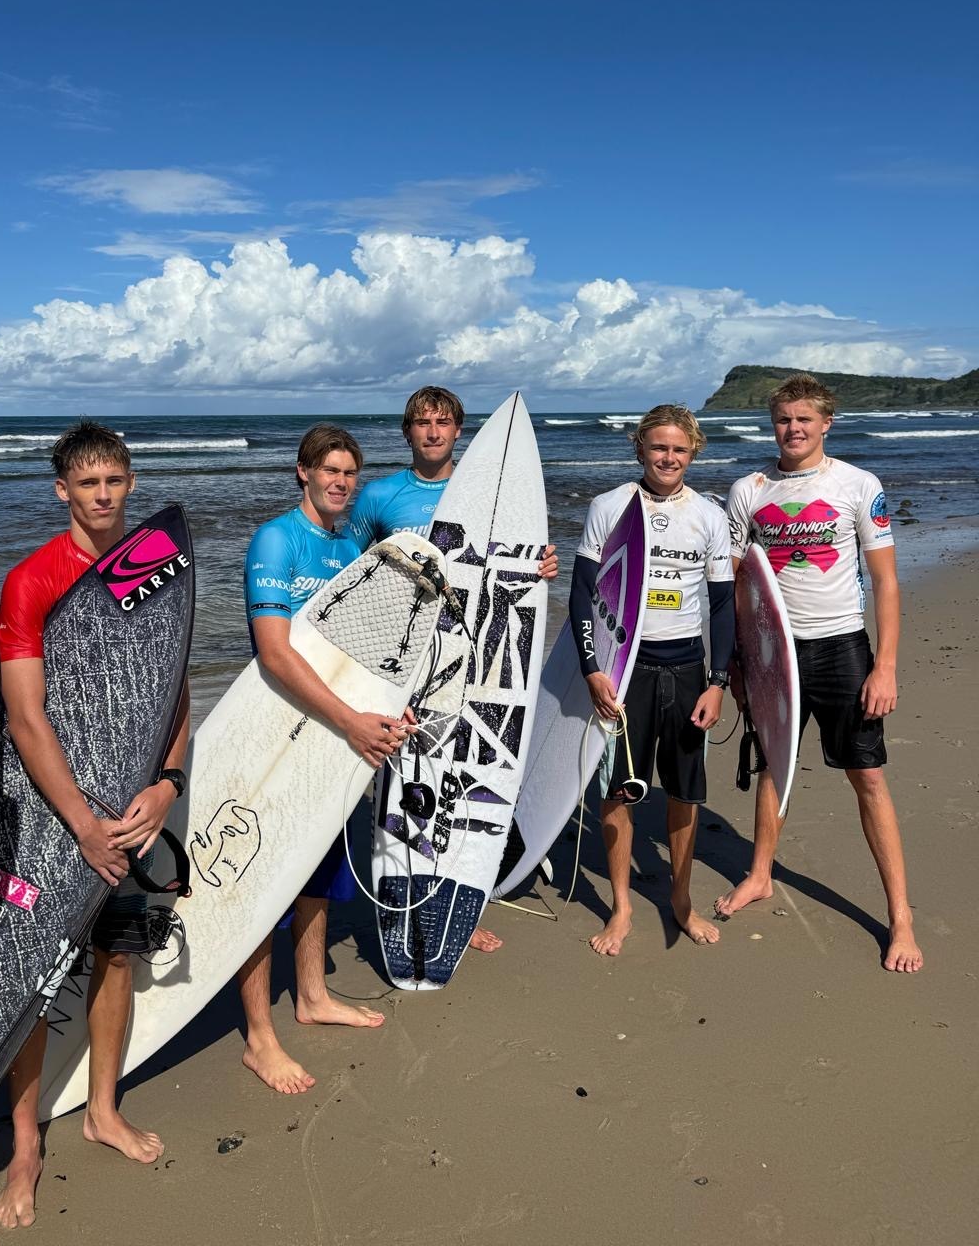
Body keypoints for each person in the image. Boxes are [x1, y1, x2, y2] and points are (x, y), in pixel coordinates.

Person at [0, 422, 191, 1229]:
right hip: (54, 813)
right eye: (87, 483)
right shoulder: (31, 580)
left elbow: (172, 689)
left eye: (114, 480)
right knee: (37, 973)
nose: (103, 495)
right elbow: (26, 717)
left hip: (134, 805)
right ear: (62, 490)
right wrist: (79, 821)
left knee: (120, 956)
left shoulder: (157, 563)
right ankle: (24, 1146)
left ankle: (103, 1109)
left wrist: (169, 784)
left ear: (130, 482)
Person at [714, 375, 922, 973]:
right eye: (784, 419)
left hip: (841, 648)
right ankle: (760, 875)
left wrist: (885, 666)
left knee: (868, 776)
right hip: (772, 652)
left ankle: (901, 918)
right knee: (773, 765)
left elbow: (884, 580)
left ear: (826, 423)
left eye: (804, 418)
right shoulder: (748, 490)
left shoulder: (858, 484)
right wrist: (735, 660)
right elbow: (737, 585)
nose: (793, 428)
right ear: (772, 424)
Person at [347, 386, 558, 953]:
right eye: (422, 422)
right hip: (406, 661)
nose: (433, 432)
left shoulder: (490, 495)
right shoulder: (380, 497)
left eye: (443, 422)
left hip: (475, 660)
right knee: (404, 780)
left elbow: (511, 569)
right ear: (407, 431)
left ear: (459, 430)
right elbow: (352, 573)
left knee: (463, 777)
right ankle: (403, 898)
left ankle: (460, 904)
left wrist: (539, 567)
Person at [239, 423, 413, 1095]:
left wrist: (388, 710)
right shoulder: (276, 540)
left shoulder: (351, 547)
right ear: (303, 473)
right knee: (262, 884)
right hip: (277, 732)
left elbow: (368, 649)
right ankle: (259, 1036)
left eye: (349, 472)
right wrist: (350, 720)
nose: (340, 482)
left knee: (319, 870)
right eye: (329, 470)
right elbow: (274, 652)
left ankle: (311, 995)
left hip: (335, 736)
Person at [572, 404, 734, 956]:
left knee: (684, 791)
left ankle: (681, 901)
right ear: (640, 447)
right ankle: (621, 906)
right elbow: (583, 593)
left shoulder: (709, 516)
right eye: (659, 447)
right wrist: (593, 669)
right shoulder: (609, 506)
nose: (668, 457)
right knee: (619, 788)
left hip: (687, 668)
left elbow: (722, 606)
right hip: (625, 668)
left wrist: (717, 682)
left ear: (694, 453)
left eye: (679, 449)